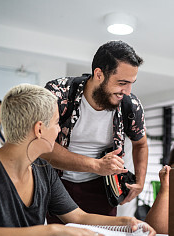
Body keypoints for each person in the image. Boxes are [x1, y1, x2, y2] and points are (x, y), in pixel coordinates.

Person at [0, 84, 155, 236]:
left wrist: (127, 222)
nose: (58, 131)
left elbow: (78, 217)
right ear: (39, 129)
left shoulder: (43, 170)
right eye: (56, 123)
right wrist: (53, 231)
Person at [43, 40, 148, 218]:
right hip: (55, 183)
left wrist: (140, 180)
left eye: (131, 83)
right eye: (122, 82)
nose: (128, 91)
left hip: (103, 189)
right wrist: (96, 165)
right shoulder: (58, 94)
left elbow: (141, 145)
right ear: (99, 74)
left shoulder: (131, 106)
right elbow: (42, 146)